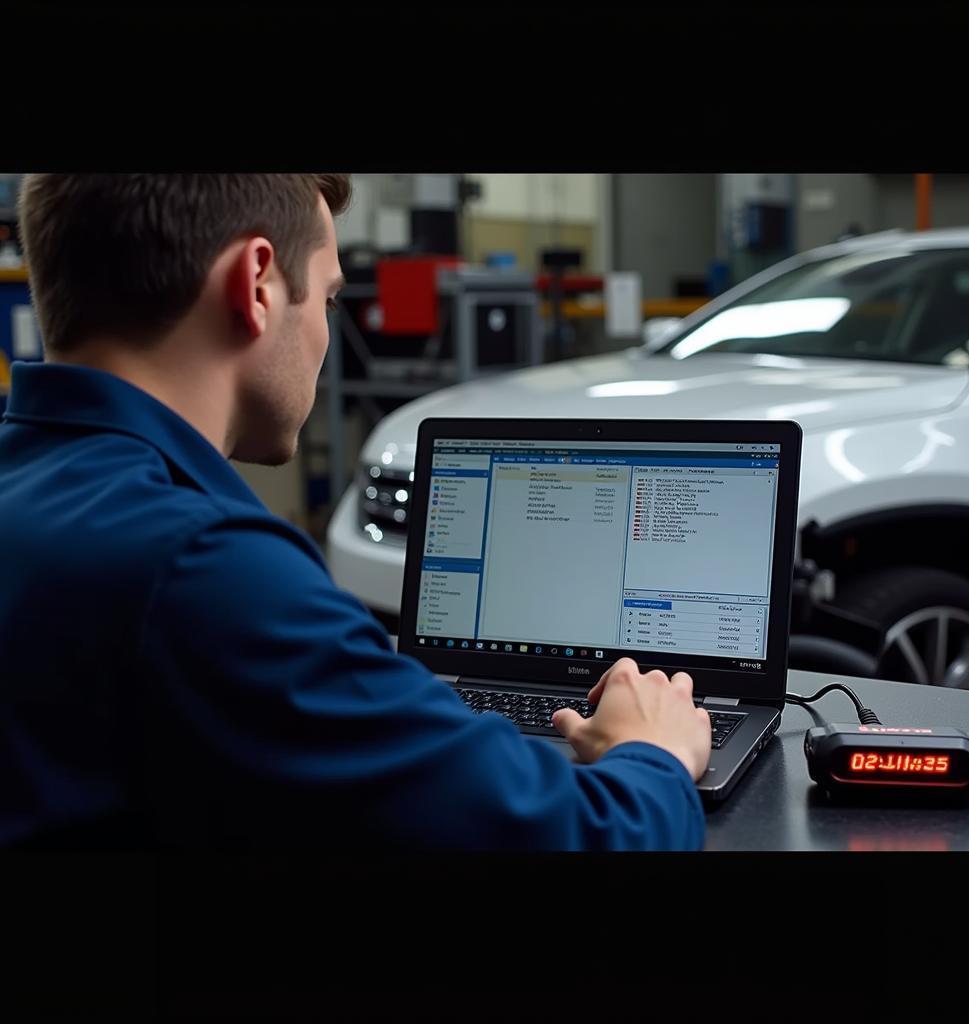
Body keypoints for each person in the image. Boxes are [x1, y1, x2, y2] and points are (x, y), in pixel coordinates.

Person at [0, 174, 711, 850]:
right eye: (331, 299)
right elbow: (591, 837)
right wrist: (654, 750)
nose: (325, 333)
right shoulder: (203, 566)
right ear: (256, 285)